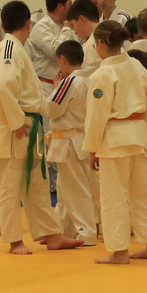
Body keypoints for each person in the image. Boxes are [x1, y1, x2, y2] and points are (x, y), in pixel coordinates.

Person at [0, 1, 84, 255]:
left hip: (29, 124)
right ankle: (14, 240)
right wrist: (16, 121)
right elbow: (2, 88)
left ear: (3, 24)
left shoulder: (16, 48)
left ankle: (51, 234)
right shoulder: (8, 48)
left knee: (38, 183)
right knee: (11, 186)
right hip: (16, 126)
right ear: (28, 24)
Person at [83, 20, 147, 264]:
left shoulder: (102, 74)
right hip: (137, 135)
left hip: (114, 138)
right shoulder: (137, 65)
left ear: (100, 43)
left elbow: (96, 116)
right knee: (142, 193)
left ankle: (119, 252)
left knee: (114, 196)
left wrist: (92, 147)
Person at [47, 40, 99, 246]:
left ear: (62, 59)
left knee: (76, 190)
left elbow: (52, 109)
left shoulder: (69, 82)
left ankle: (86, 232)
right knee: (65, 190)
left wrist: (55, 88)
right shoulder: (89, 80)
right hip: (80, 138)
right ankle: (63, 230)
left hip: (69, 141)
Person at [65, 0, 103, 74]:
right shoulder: (106, 32)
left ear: (81, 19)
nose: (75, 32)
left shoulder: (96, 41)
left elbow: (86, 76)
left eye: (73, 25)